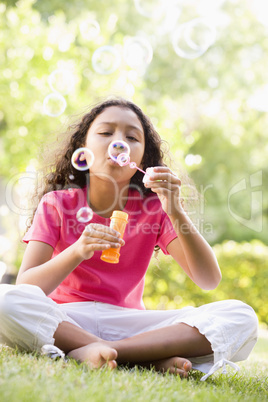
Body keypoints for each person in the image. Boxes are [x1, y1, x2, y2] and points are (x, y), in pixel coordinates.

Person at [0, 98, 258, 380]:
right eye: (106, 133)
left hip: (132, 324)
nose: (118, 142)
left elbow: (209, 279)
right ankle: (144, 358)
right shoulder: (57, 203)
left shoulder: (155, 209)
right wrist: (77, 251)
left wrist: (175, 209)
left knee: (241, 316)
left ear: (142, 159)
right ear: (82, 149)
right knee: (4, 300)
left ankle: (103, 350)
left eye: (132, 137)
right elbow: (27, 287)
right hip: (67, 319)